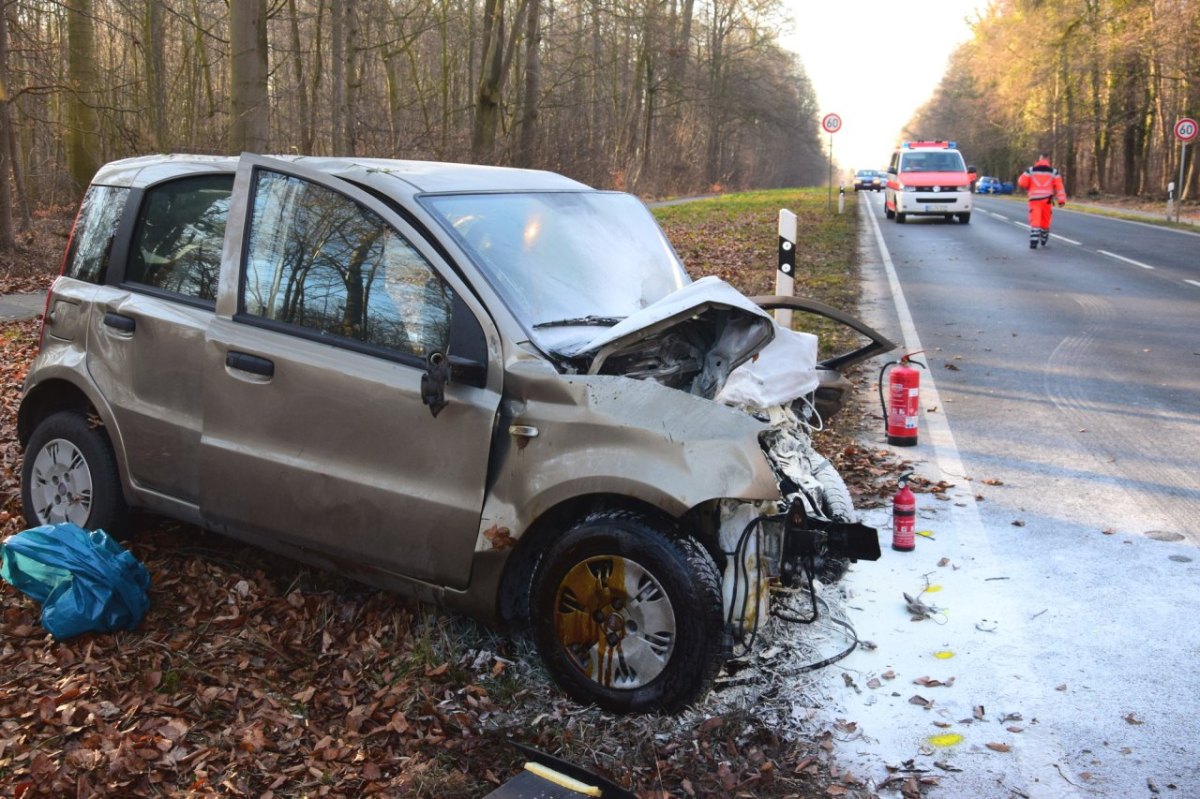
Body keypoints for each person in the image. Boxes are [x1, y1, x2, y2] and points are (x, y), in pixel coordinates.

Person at [1017, 153, 1067, 249]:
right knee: (1045, 219)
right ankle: (1044, 238)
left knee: (1035, 219)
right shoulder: (1053, 172)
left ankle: (1034, 241)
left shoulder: (1031, 170)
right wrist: (1061, 200)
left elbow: (1021, 182)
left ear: (1039, 159)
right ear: (1048, 160)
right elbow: (1059, 187)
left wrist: (1029, 186)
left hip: (1034, 199)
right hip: (1047, 200)